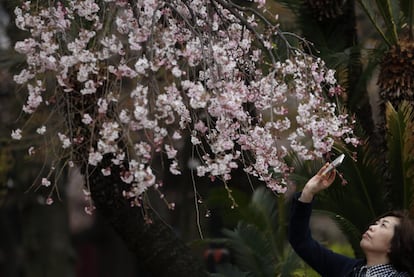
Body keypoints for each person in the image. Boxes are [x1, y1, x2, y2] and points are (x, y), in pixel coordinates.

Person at [288, 163, 414, 276]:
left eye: (383, 225)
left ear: (394, 244)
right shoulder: (347, 269)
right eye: (376, 223)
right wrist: (308, 192)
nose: (372, 227)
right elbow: (301, 241)